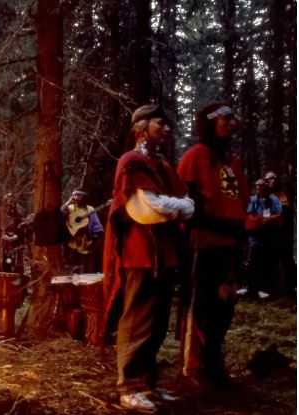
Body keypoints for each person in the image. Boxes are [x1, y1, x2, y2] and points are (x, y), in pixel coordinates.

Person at [102, 104, 194, 413]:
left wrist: (175, 206)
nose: (167, 129)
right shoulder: (132, 161)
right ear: (141, 127)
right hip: (140, 256)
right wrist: (176, 207)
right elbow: (147, 210)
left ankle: (147, 386)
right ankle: (127, 387)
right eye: (160, 123)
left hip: (165, 256)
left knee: (157, 324)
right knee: (138, 320)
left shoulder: (163, 165)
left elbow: (187, 202)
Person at [177, 102, 249, 387]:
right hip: (203, 244)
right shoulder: (195, 156)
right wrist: (210, 224)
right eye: (226, 119)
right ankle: (194, 367)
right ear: (211, 123)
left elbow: (240, 201)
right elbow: (186, 203)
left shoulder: (232, 159)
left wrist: (239, 230)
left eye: (234, 118)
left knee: (225, 304)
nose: (233, 123)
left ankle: (215, 362)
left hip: (229, 243)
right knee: (201, 304)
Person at [243, 179, 283, 298]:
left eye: (261, 186)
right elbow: (249, 216)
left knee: (270, 265)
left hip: (271, 240)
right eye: (257, 186)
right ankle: (252, 289)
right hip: (256, 239)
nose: (259, 188)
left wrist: (268, 220)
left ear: (266, 188)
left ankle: (271, 290)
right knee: (253, 265)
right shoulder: (252, 200)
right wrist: (261, 221)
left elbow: (279, 216)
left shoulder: (274, 200)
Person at [264, 171, 296, 296]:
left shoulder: (281, 195)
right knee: (269, 260)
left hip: (281, 233)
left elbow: (284, 211)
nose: (271, 181)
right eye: (269, 179)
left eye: (273, 179)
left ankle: (291, 286)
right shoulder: (263, 195)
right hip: (269, 233)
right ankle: (269, 287)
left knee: (287, 259)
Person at [61, 190, 104, 274]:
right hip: (72, 245)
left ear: (84, 197)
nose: (77, 198)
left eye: (79, 195)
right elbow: (61, 213)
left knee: (89, 273)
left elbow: (97, 227)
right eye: (75, 195)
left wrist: (93, 241)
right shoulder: (70, 208)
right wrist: (69, 202)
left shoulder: (90, 209)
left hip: (87, 244)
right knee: (73, 273)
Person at [0, 193, 29, 275]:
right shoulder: (0, 212)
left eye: (12, 202)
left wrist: (20, 231)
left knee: (17, 260)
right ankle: (5, 275)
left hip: (16, 240)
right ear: (4, 202)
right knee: (4, 259)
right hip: (4, 240)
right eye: (8, 201)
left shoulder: (18, 214)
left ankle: (18, 279)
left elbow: (22, 224)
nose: (10, 204)